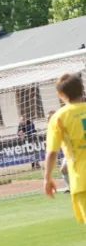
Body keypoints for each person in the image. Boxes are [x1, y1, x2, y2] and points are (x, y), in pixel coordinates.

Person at [45, 74, 86, 222]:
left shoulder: (59, 118)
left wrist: (47, 178)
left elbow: (52, 152)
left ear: (60, 94)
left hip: (82, 179)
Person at [47, 110, 70, 193]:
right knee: (63, 169)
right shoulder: (53, 128)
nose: (48, 120)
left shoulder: (63, 123)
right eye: (47, 118)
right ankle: (70, 188)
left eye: (49, 117)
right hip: (69, 153)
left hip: (76, 151)